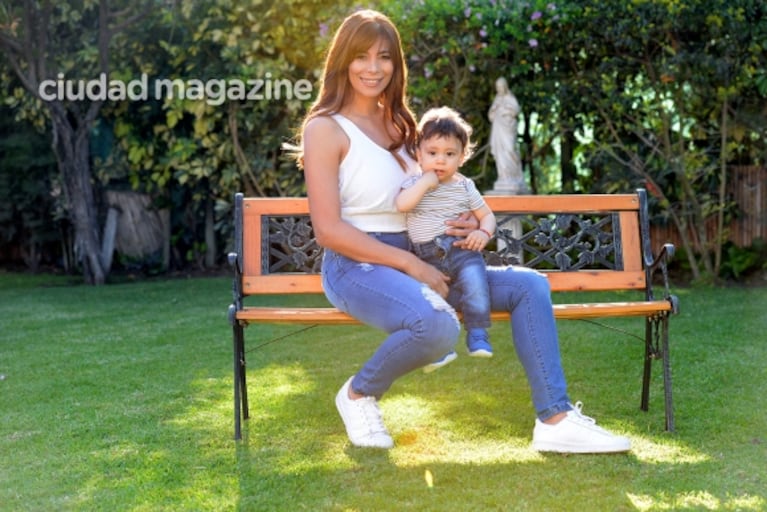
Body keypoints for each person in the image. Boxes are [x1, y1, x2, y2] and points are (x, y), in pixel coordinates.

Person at [294, 8, 630, 453]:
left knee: (530, 286)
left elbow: (436, 188)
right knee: (435, 327)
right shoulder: (325, 129)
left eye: (384, 57)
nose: (373, 68)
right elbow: (328, 229)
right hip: (357, 264)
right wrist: (412, 265)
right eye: (360, 57)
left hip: (427, 258)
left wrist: (468, 219)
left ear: (397, 64)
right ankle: (358, 393)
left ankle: (555, 419)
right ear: (342, 61)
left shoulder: (402, 125)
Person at [395, 106, 495, 372]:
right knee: (433, 301)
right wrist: (424, 184)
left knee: (476, 284)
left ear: (462, 157)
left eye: (449, 154)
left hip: (461, 249)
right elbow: (403, 205)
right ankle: (440, 349)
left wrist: (482, 232)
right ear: (418, 154)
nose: (440, 161)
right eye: (432, 153)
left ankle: (477, 333)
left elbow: (487, 216)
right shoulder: (414, 183)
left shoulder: (465, 185)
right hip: (425, 256)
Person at [488, 76, 524, 192]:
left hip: (508, 128)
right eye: (497, 87)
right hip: (498, 129)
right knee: (500, 152)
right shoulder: (497, 99)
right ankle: (503, 177)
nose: (499, 89)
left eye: (501, 87)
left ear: (505, 87)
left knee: (509, 149)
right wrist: (496, 110)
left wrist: (505, 111)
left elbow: (516, 110)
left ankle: (513, 177)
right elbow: (491, 115)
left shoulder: (510, 98)